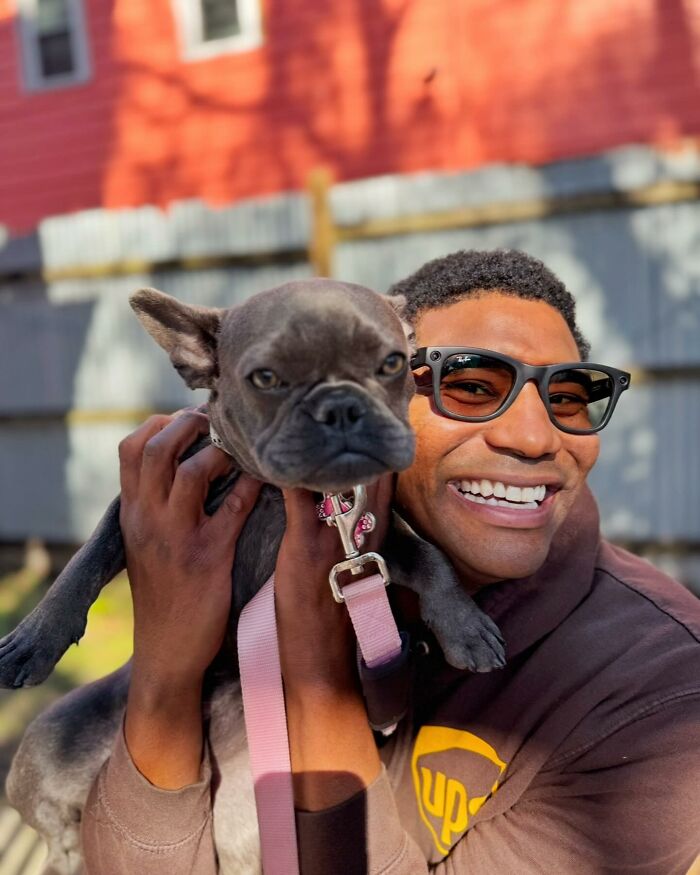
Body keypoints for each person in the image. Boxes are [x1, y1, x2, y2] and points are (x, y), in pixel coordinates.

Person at [80, 249, 700, 874]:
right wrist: (165, 667)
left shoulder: (665, 700)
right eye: (469, 384)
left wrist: (317, 667)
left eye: (568, 397)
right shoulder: (258, 560)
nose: (534, 438)